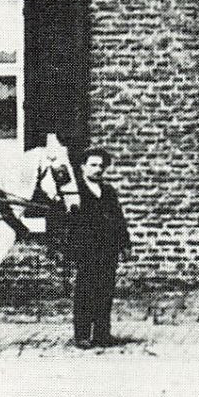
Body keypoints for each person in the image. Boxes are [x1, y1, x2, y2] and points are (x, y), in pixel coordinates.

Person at [66, 147, 130, 348]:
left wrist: (125, 244)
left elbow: (119, 219)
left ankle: (102, 333)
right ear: (83, 167)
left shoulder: (108, 191)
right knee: (85, 291)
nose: (98, 169)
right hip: (87, 249)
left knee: (105, 291)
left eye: (101, 166)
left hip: (108, 249)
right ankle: (82, 334)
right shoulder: (75, 192)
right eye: (93, 165)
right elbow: (69, 221)